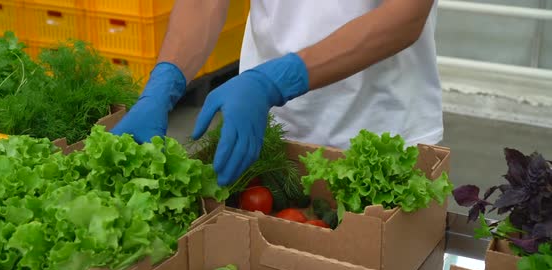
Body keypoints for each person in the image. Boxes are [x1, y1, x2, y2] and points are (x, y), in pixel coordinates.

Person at [110, 0, 442, 186]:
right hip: (264, 136)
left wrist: (275, 81)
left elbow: (406, 13)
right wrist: (163, 83)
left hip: (382, 132)